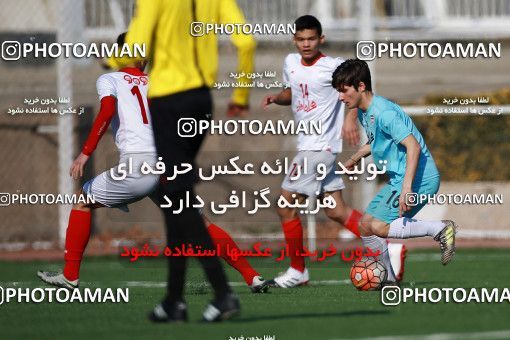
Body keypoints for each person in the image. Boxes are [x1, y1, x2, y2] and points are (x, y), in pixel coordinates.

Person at [38, 33, 266, 295]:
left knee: (82, 200)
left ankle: (70, 276)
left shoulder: (109, 79)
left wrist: (85, 154)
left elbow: (107, 111)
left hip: (137, 167)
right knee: (199, 223)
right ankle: (252, 277)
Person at [106, 0, 257, 322]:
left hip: (168, 101)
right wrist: (241, 95)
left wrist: (112, 59)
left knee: (178, 198)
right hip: (201, 100)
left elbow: (136, 45)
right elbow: (246, 41)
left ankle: (223, 293)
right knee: (177, 195)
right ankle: (174, 301)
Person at [261, 15, 406, 288]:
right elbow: (291, 92)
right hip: (308, 145)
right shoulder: (290, 63)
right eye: (301, 39)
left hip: (320, 147)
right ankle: (390, 250)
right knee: (336, 211)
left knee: (286, 206)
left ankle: (297, 271)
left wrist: (350, 120)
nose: (306, 44)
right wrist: (276, 97)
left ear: (321, 39)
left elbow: (357, 89)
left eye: (311, 39)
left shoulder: (333, 67)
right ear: (294, 39)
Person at [331, 58, 457, 281]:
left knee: (379, 226)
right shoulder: (364, 111)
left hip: (420, 178)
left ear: (361, 86)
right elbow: (377, 141)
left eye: (344, 91)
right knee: (365, 226)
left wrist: (407, 189)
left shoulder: (384, 113)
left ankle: (440, 229)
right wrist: (355, 158)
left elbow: (413, 145)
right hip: (402, 177)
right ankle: (389, 280)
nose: (340, 97)